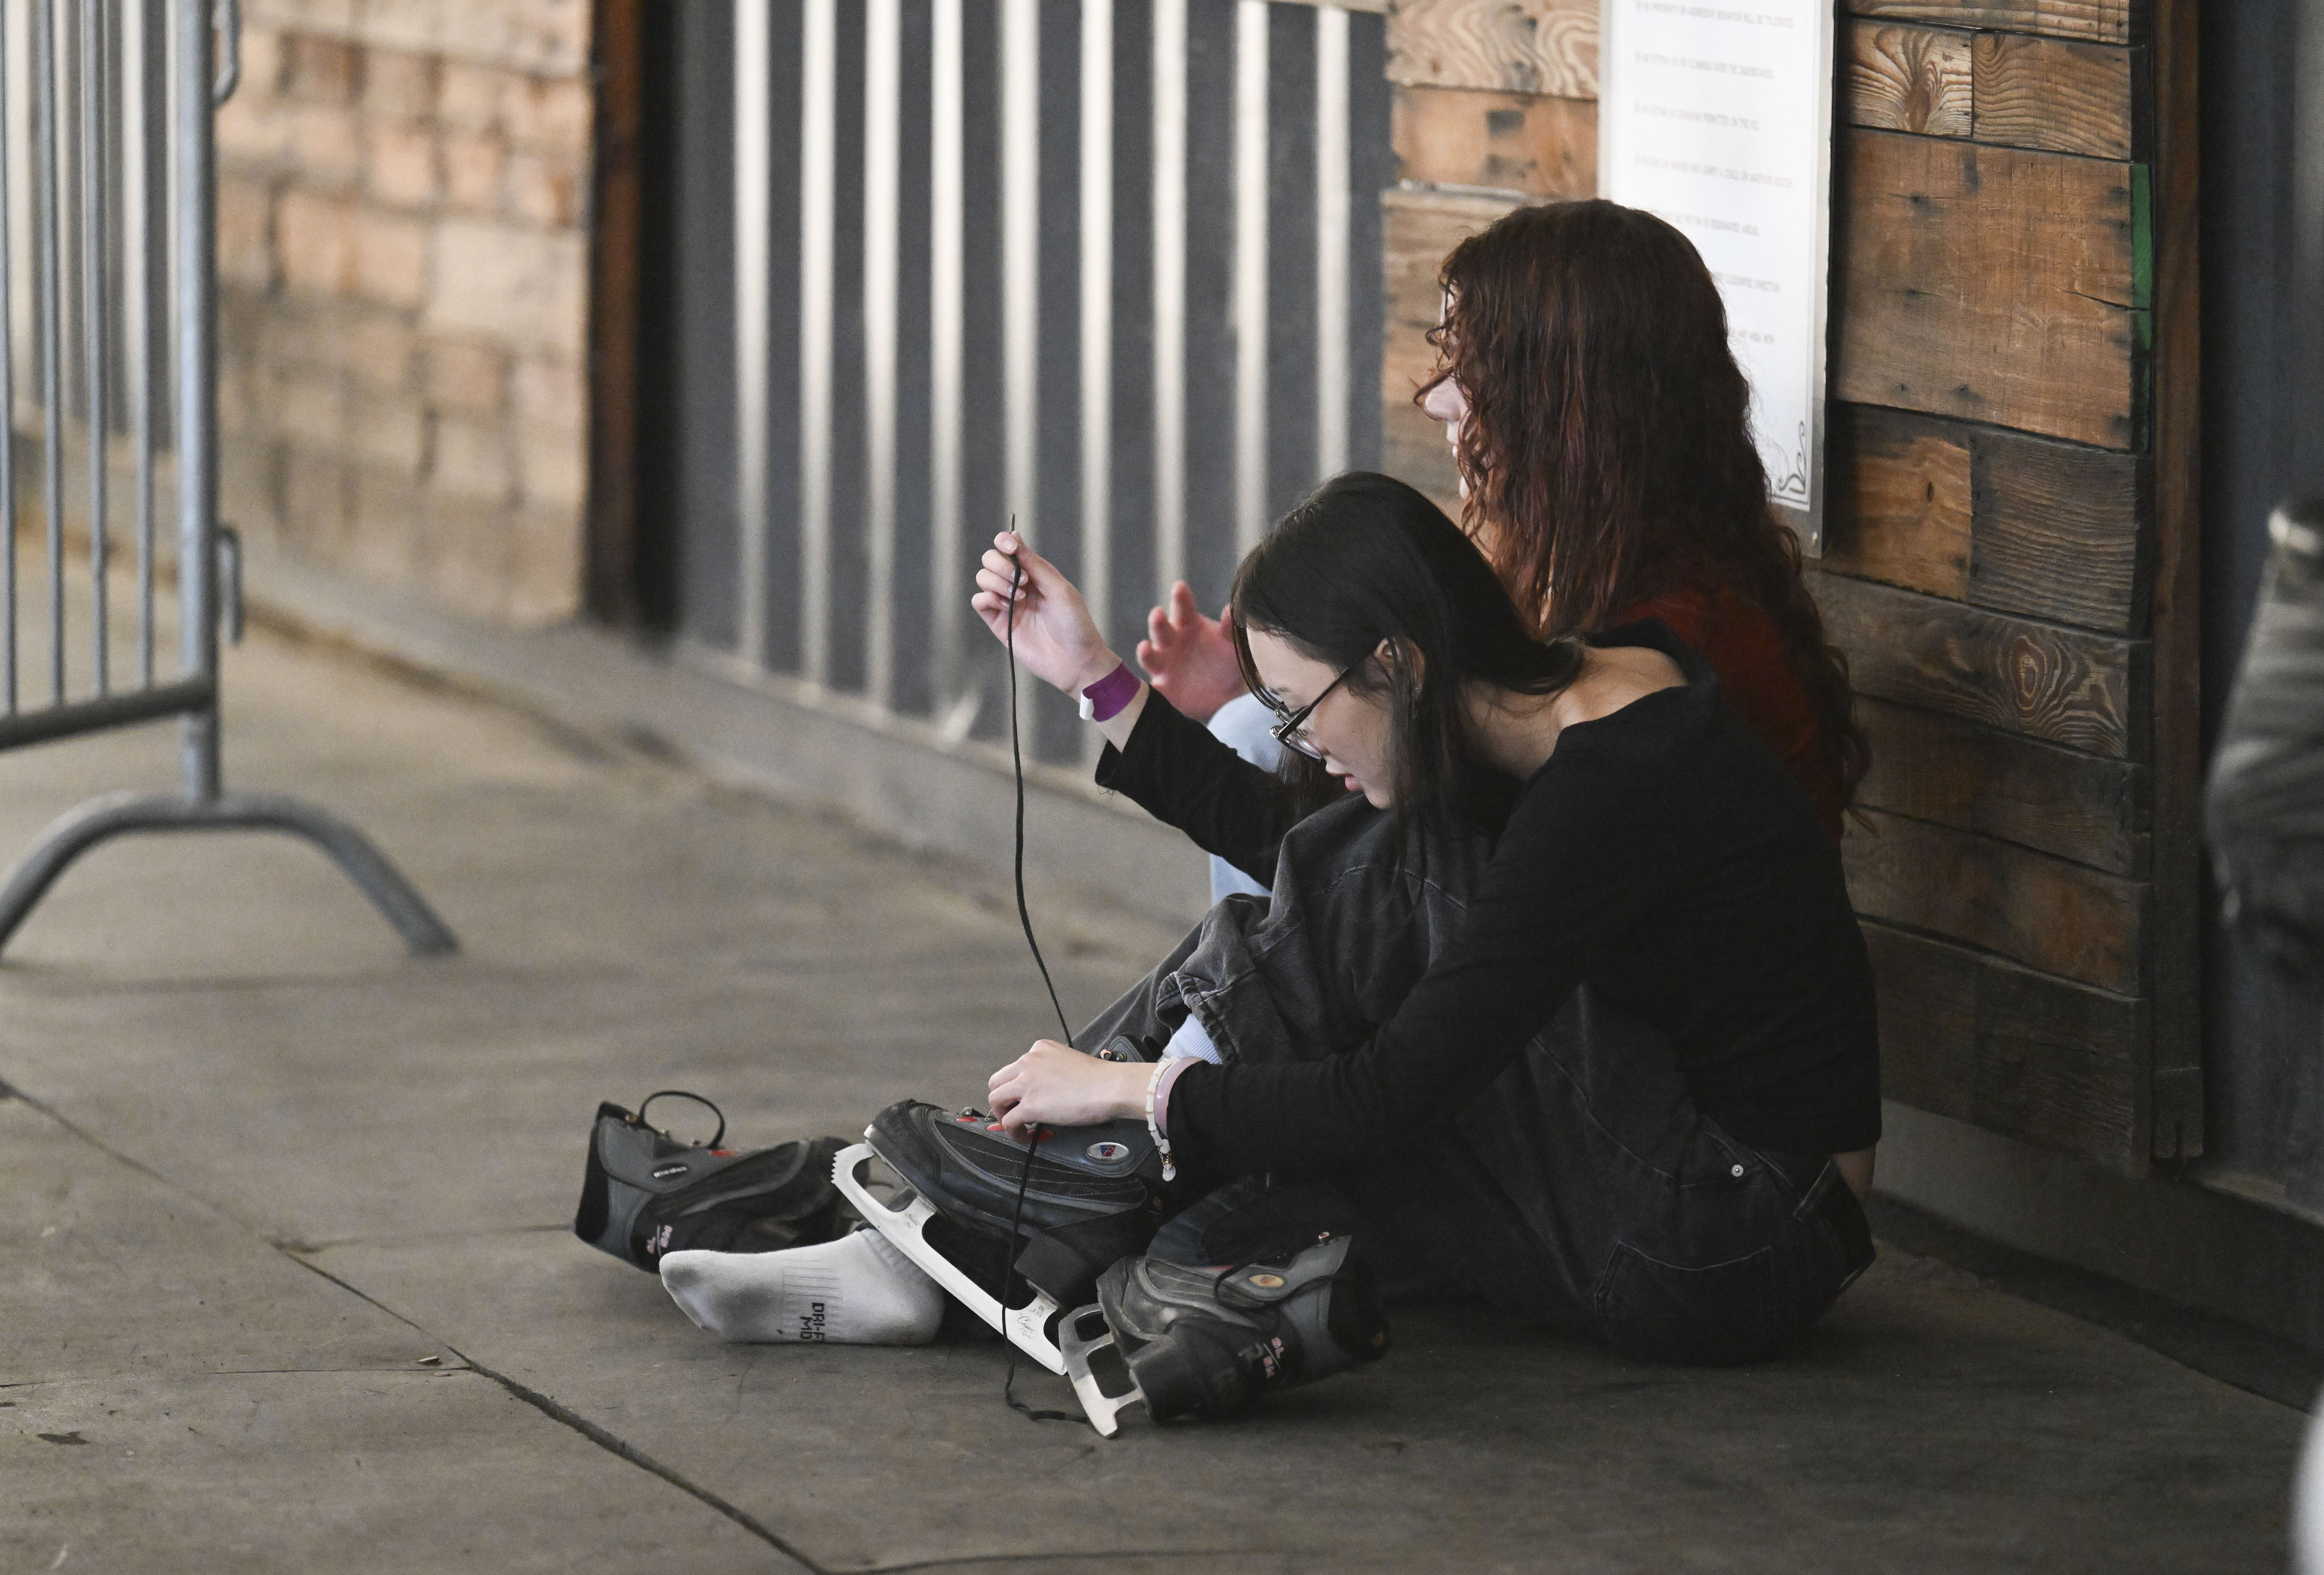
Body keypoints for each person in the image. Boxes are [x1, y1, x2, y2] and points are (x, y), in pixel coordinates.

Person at [661, 474, 1879, 1398]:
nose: (1300, 745)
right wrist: (1098, 682)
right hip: (1686, 1179)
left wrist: (1133, 1089)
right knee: (1325, 969)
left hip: (1734, 1232)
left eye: (1299, 713)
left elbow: (1385, 1090)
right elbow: (1301, 852)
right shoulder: (1561, 699)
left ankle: (1004, 1204)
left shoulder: (1608, 783)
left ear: (1397, 665)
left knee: (1379, 880)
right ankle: (965, 1253)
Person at [1138, 200, 1865, 904]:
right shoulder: (1581, 564)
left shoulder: (1673, 636)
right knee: (1253, 730)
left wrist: (1128, 694)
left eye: (1472, 367)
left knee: (1261, 752)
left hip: (1631, 1015)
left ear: (1570, 406)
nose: (1438, 401)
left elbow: (1410, 873)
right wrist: (1290, 690)